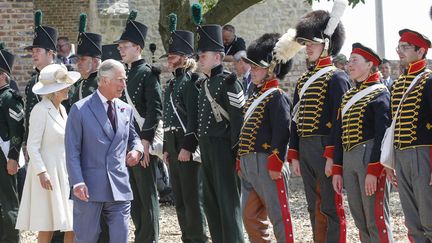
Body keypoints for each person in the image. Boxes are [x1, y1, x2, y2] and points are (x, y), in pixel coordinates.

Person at [287, 8, 351, 242]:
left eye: (313, 42)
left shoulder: (337, 77)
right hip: (305, 148)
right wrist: (293, 153)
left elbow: (340, 122)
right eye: (305, 43)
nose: (308, 47)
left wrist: (333, 156)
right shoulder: (303, 80)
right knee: (313, 206)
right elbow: (295, 119)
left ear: (326, 43)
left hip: (325, 147)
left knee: (331, 207)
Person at [65, 59, 144, 243]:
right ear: (105, 80)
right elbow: (72, 151)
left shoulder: (126, 109)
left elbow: (134, 138)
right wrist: (77, 183)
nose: (124, 84)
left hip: (119, 185)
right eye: (120, 79)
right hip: (88, 188)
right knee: (86, 238)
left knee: (120, 237)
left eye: (124, 79)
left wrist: (137, 151)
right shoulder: (80, 109)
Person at [332, 43, 393, 242]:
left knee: (376, 219)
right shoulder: (348, 96)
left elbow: (383, 136)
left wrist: (374, 171)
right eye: (349, 61)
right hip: (350, 160)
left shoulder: (379, 93)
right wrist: (337, 168)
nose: (349, 65)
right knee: (360, 220)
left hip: (369, 159)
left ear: (370, 65)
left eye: (354, 61)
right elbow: (340, 134)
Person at [238, 32, 294, 242]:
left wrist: (276, 161)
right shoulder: (255, 96)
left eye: (256, 67)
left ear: (270, 69)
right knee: (249, 217)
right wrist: (240, 160)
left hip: (268, 162)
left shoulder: (277, 96)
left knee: (279, 216)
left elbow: (282, 131)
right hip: (248, 164)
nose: (251, 71)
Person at [16, 64, 79, 243]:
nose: (68, 88)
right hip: (47, 175)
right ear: (54, 90)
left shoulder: (63, 110)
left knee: (71, 223)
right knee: (48, 225)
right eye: (64, 85)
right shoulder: (40, 110)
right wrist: (42, 173)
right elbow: (32, 146)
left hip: (64, 173)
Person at [115, 11, 162, 243]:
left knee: (146, 194)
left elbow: (155, 110)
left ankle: (149, 237)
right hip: (126, 144)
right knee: (132, 194)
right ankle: (140, 233)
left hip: (142, 143)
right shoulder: (126, 74)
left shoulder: (146, 74)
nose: (120, 49)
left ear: (138, 47)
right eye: (120, 46)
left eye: (125, 46)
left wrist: (145, 143)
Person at [196, 23, 244, 243]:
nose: (199, 59)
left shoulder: (229, 82)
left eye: (203, 55)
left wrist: (237, 154)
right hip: (206, 149)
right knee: (211, 203)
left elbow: (238, 121)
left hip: (224, 150)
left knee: (228, 203)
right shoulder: (204, 83)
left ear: (217, 56)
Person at [383, 29, 432, 242]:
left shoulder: (428, 81)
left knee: (429, 217)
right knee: (411, 220)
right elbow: (392, 125)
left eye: (405, 47)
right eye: (398, 47)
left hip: (423, 155)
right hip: (402, 155)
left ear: (421, 51)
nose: (399, 51)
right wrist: (390, 161)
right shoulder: (398, 84)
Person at [161, 24, 208, 242]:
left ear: (184, 57)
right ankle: (187, 237)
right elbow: (167, 118)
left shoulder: (192, 81)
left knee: (192, 198)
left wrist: (188, 147)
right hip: (172, 143)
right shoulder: (171, 84)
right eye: (169, 56)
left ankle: (198, 237)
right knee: (179, 198)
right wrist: (166, 149)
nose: (169, 60)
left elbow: (194, 118)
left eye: (173, 56)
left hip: (185, 143)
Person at [24, 10, 58, 160]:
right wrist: (27, 144)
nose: (34, 54)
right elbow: (27, 115)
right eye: (33, 51)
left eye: (38, 50)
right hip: (34, 144)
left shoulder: (61, 78)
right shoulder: (32, 81)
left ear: (50, 53)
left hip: (54, 145)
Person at [0, 43, 24, 243]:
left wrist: (13, 158)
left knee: (8, 203)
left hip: (5, 157)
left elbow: (17, 131)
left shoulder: (10, 98)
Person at [69, 13, 102, 109]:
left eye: (83, 59)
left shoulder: (102, 84)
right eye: (78, 59)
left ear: (95, 61)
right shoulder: (80, 84)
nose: (79, 63)